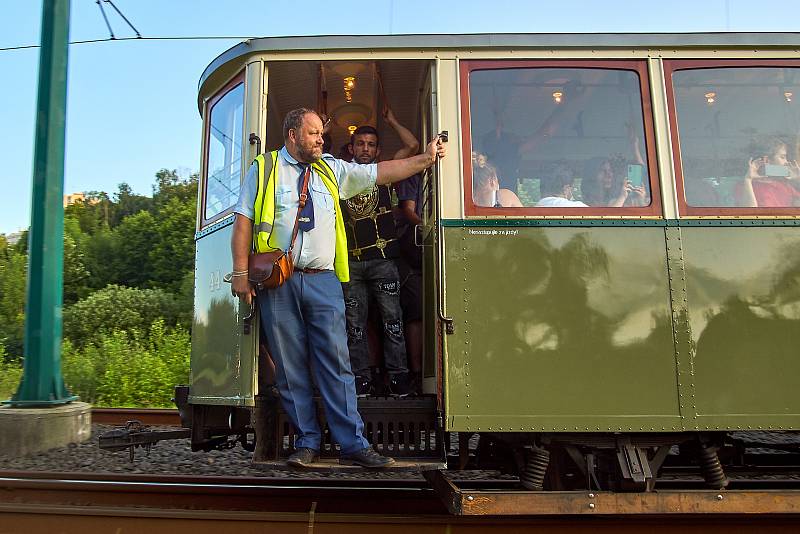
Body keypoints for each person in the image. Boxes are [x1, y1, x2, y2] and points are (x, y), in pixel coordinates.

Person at [230, 108, 446, 468]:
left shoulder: (331, 167)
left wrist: (425, 158)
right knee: (290, 367)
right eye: (313, 133)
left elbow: (381, 173)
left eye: (321, 133)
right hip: (278, 282)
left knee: (337, 362)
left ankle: (353, 444)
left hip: (324, 280)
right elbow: (243, 221)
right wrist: (240, 274)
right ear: (292, 136)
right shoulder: (265, 168)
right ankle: (307, 442)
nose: (320, 139)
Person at [341, 106, 420, 397]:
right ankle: (361, 379)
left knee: (393, 321)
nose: (365, 149)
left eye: (370, 144)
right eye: (360, 144)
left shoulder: (384, 171)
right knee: (355, 325)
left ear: (377, 150)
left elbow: (412, 146)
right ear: (351, 148)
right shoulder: (341, 174)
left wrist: (393, 120)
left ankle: (398, 378)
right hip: (351, 262)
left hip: (385, 261)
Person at [738, 136, 800, 207]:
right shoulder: (744, 186)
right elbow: (749, 215)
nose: (786, 162)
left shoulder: (784, 185)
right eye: (782, 157)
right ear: (766, 160)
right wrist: (748, 180)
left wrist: (798, 179)